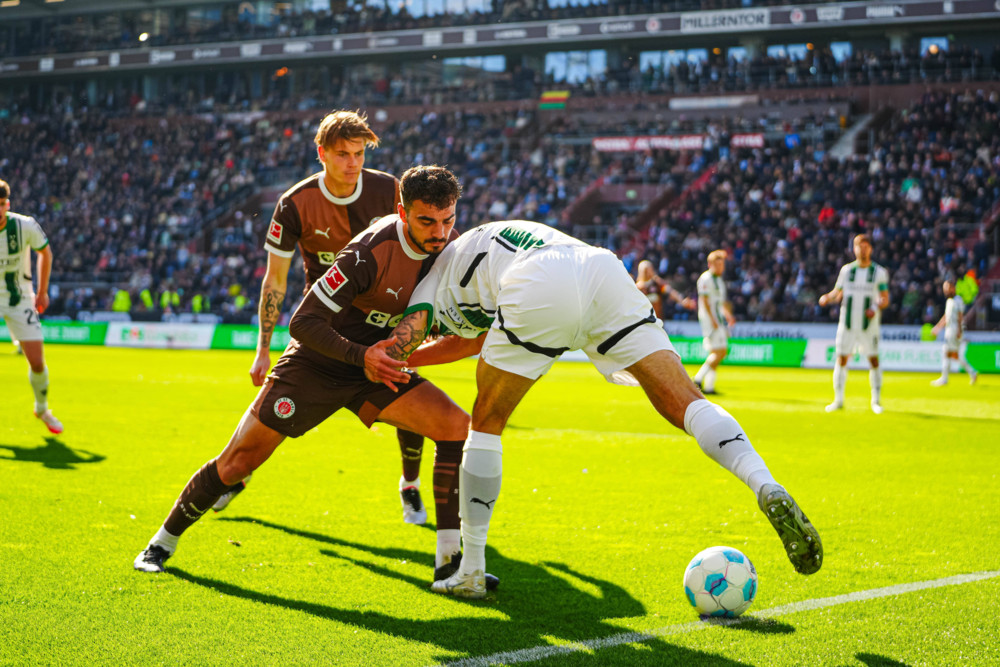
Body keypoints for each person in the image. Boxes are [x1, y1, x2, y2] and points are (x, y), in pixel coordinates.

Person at [363, 220, 822, 598]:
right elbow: (473, 338)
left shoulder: (428, 276)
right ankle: (764, 482)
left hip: (539, 282)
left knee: (484, 424)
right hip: (599, 267)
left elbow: (419, 337)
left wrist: (376, 358)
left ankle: (472, 570)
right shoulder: (479, 238)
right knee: (685, 400)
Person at [135, 166, 496, 588]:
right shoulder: (367, 253)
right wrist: (362, 355)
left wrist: (398, 359)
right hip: (318, 362)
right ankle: (160, 544)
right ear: (401, 211)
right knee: (239, 461)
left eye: (449, 219)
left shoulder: (453, 253)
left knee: (454, 425)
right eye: (427, 221)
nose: (441, 232)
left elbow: (472, 339)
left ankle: (449, 564)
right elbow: (302, 322)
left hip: (374, 367)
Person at [230, 109, 429, 524]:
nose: (353, 163)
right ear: (321, 153)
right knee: (279, 409)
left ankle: (410, 484)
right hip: (322, 324)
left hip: (383, 321)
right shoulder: (294, 204)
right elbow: (275, 281)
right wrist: (262, 349)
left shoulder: (389, 189)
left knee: (409, 396)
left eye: (359, 154)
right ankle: (235, 473)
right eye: (343, 154)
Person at [0, 178, 63, 435]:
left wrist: (43, 291)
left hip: (19, 298)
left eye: (1, 204)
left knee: (37, 361)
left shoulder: (24, 225)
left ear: (8, 204)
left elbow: (45, 253)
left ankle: (42, 408)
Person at [818, 234, 890, 414]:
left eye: (866, 246)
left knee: (873, 359)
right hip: (847, 323)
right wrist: (828, 297)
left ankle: (876, 401)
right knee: (841, 358)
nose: (862, 250)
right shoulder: (847, 271)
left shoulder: (878, 273)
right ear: (854, 249)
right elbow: (838, 292)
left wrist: (876, 307)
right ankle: (838, 399)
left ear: (870, 249)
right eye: (859, 246)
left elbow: (885, 299)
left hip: (869, 325)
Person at [692, 250, 735, 395]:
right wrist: (713, 320)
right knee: (721, 351)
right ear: (710, 264)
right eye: (717, 264)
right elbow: (705, 301)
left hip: (718, 319)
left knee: (717, 351)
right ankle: (697, 379)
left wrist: (728, 316)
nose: (720, 267)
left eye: (722, 264)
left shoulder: (719, 281)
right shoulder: (705, 279)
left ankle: (709, 387)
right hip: (710, 320)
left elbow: (720, 303)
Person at [930, 280, 978, 386]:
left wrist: (959, 331)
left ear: (953, 288)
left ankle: (944, 378)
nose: (945, 290)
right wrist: (938, 327)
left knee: (947, 353)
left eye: (947, 288)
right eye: (944, 288)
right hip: (949, 331)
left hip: (955, 331)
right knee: (954, 355)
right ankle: (972, 372)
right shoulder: (949, 301)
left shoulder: (958, 300)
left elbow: (961, 316)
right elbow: (946, 317)